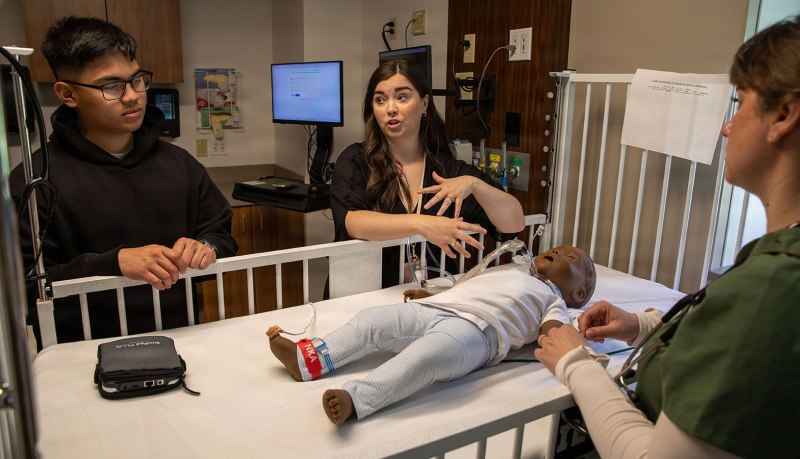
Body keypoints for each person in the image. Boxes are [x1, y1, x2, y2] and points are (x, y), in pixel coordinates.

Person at [535, 12, 800, 459]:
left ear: (783, 115)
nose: (727, 126)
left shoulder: (774, 291)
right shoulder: (790, 256)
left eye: (740, 103)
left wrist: (575, 364)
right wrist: (644, 326)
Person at [9, 17, 237, 345]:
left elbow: (221, 236)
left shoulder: (180, 164)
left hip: (182, 343)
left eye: (137, 80)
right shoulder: (34, 183)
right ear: (68, 93)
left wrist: (207, 248)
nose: (132, 96)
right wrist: (112, 263)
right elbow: (25, 291)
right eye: (111, 86)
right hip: (81, 358)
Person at [266, 245, 596, 426]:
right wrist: (433, 296)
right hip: (441, 308)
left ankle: (356, 399)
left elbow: (555, 334)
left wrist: (574, 344)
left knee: (426, 357)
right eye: (556, 248)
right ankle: (309, 359)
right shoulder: (509, 271)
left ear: (579, 293)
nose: (557, 251)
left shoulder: (553, 301)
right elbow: (467, 287)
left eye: (571, 258)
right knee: (373, 320)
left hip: (476, 332)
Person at [330, 58, 524, 288]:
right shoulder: (356, 159)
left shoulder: (447, 171)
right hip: (362, 294)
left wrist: (475, 184)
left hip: (427, 299)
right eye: (380, 100)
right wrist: (424, 224)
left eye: (402, 97)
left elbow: (514, 223)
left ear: (424, 104)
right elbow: (353, 222)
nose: (391, 108)